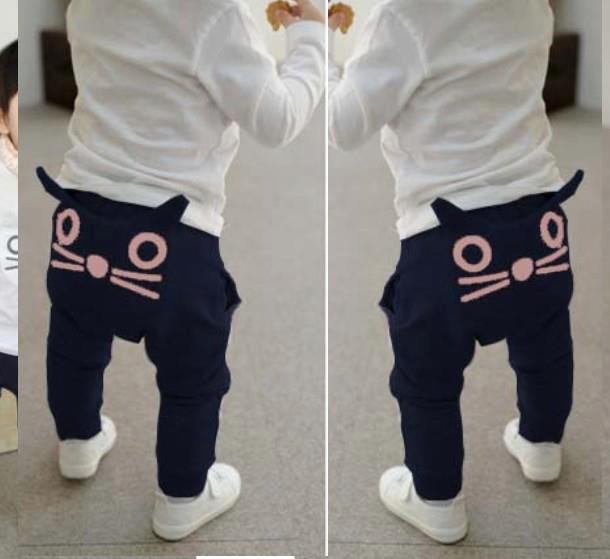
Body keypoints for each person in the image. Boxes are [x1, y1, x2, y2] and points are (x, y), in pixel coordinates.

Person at [37, 0, 325, 541]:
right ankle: (182, 497)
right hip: (172, 236)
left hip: (79, 221)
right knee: (192, 375)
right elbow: (277, 119)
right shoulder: (216, 14)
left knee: (73, 343)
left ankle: (77, 441)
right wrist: (310, 39)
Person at [329, 0, 579, 543]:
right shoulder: (534, 7)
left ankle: (436, 500)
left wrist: (332, 56)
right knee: (546, 346)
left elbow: (344, 125)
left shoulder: (402, 15)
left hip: (447, 239)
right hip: (540, 225)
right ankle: (542, 444)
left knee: (428, 379)